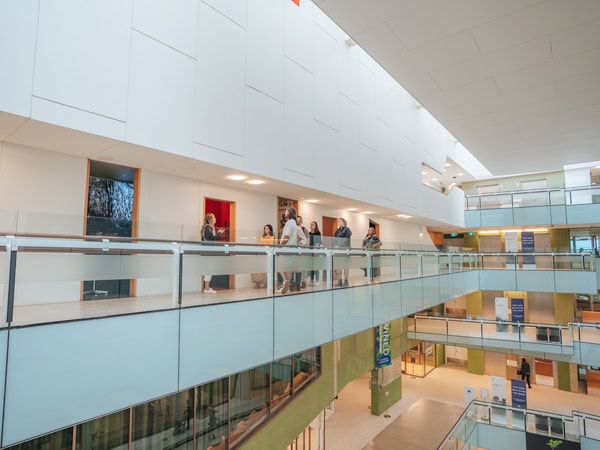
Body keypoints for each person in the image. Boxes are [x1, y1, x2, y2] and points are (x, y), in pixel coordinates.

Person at [201, 213, 225, 294]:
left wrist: (218, 233)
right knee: (208, 269)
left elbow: (211, 239)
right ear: (210, 219)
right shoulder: (207, 228)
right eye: (214, 217)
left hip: (208, 252)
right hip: (208, 252)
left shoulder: (210, 228)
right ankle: (206, 288)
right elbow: (210, 240)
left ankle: (207, 288)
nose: (215, 218)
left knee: (209, 269)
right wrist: (219, 234)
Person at [276, 207, 297, 294]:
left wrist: (280, 247)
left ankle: (285, 281)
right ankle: (286, 285)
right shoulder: (294, 223)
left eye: (286, 211)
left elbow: (286, 237)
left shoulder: (289, 223)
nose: (285, 213)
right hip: (291, 249)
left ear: (289, 213)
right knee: (288, 269)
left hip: (287, 248)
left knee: (278, 265)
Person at [333, 218, 352, 287]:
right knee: (338, 266)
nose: (338, 222)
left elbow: (346, 239)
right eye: (338, 221)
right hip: (338, 251)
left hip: (345, 251)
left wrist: (339, 246)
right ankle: (339, 281)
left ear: (343, 222)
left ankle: (346, 281)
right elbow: (334, 239)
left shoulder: (347, 230)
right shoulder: (337, 230)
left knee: (345, 267)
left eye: (340, 221)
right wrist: (335, 246)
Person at [308, 221, 323, 286]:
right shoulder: (309, 233)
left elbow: (319, 242)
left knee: (316, 266)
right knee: (311, 266)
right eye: (311, 224)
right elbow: (308, 242)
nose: (312, 225)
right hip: (310, 251)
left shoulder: (318, 233)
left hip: (316, 251)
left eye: (313, 224)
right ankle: (311, 279)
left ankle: (317, 280)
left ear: (316, 226)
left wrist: (315, 248)